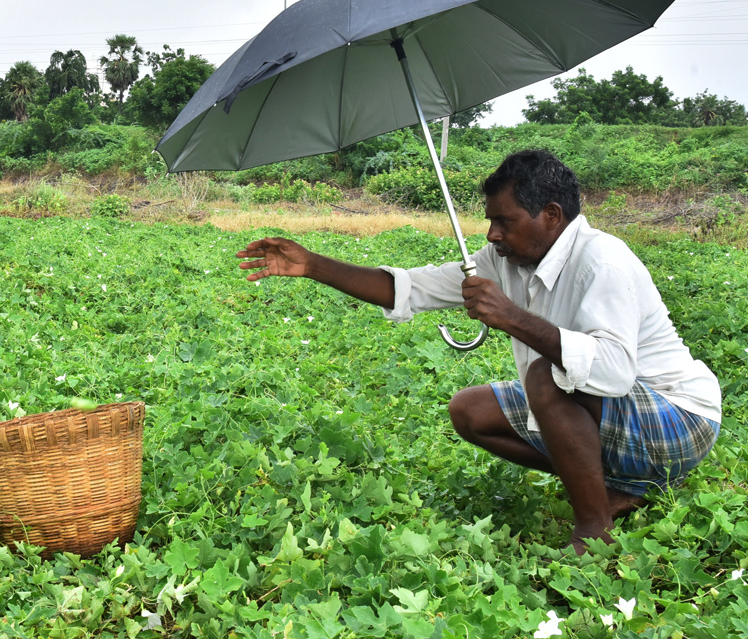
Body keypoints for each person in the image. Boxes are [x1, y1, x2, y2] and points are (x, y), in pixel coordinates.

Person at [236, 150, 721, 554]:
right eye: (491, 221)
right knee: (469, 410)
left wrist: (511, 316)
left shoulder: (603, 260)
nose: (491, 234)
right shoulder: (501, 259)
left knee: (544, 379)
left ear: (551, 215)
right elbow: (410, 288)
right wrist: (312, 264)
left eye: (503, 222)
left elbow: (614, 372)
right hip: (617, 419)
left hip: (678, 419)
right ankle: (614, 489)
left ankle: (594, 532)